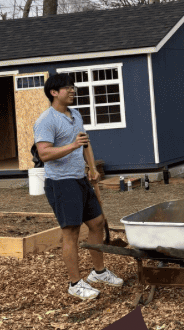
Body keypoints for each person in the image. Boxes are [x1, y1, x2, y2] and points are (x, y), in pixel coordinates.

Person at [34, 73, 124, 300]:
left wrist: (92, 167)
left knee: (97, 223)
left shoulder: (75, 115)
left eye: (73, 87)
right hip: (61, 184)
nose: (73, 90)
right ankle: (75, 284)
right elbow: (44, 153)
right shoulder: (46, 120)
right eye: (67, 88)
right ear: (54, 93)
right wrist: (72, 145)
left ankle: (98, 272)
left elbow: (85, 143)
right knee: (71, 233)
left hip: (80, 179)